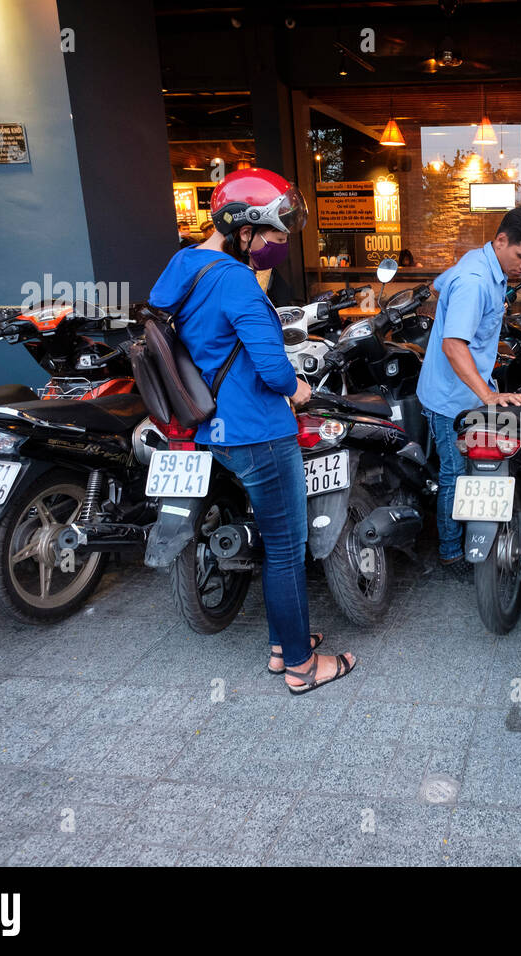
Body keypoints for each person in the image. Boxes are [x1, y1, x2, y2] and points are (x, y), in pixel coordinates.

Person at [148, 168, 356, 695]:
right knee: (287, 548)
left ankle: (283, 645)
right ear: (245, 230)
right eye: (276, 233)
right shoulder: (235, 279)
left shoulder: (184, 265)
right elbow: (273, 368)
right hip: (258, 429)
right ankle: (302, 669)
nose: (282, 244)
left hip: (214, 427)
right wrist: (299, 390)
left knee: (273, 542)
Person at [416, 204, 521, 580]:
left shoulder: (478, 263)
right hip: (450, 398)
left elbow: (437, 285)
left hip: (470, 391)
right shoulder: (475, 280)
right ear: (502, 240)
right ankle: (449, 552)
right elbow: (453, 345)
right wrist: (489, 396)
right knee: (455, 474)